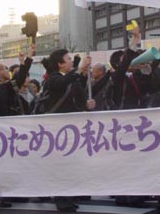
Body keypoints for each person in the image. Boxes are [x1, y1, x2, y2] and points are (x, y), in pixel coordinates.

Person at [44, 49, 95, 212]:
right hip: (57, 130)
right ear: (60, 64)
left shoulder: (72, 79)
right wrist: (79, 70)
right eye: (68, 59)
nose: (71, 61)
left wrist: (87, 106)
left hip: (72, 129)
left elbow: (80, 100)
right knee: (60, 165)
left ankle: (69, 196)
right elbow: (61, 85)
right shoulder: (53, 79)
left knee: (71, 164)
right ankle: (62, 199)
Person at [110, 26, 140, 110]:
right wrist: (135, 38)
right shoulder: (116, 76)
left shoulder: (131, 76)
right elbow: (125, 63)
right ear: (117, 64)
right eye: (123, 59)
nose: (128, 61)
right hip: (125, 113)